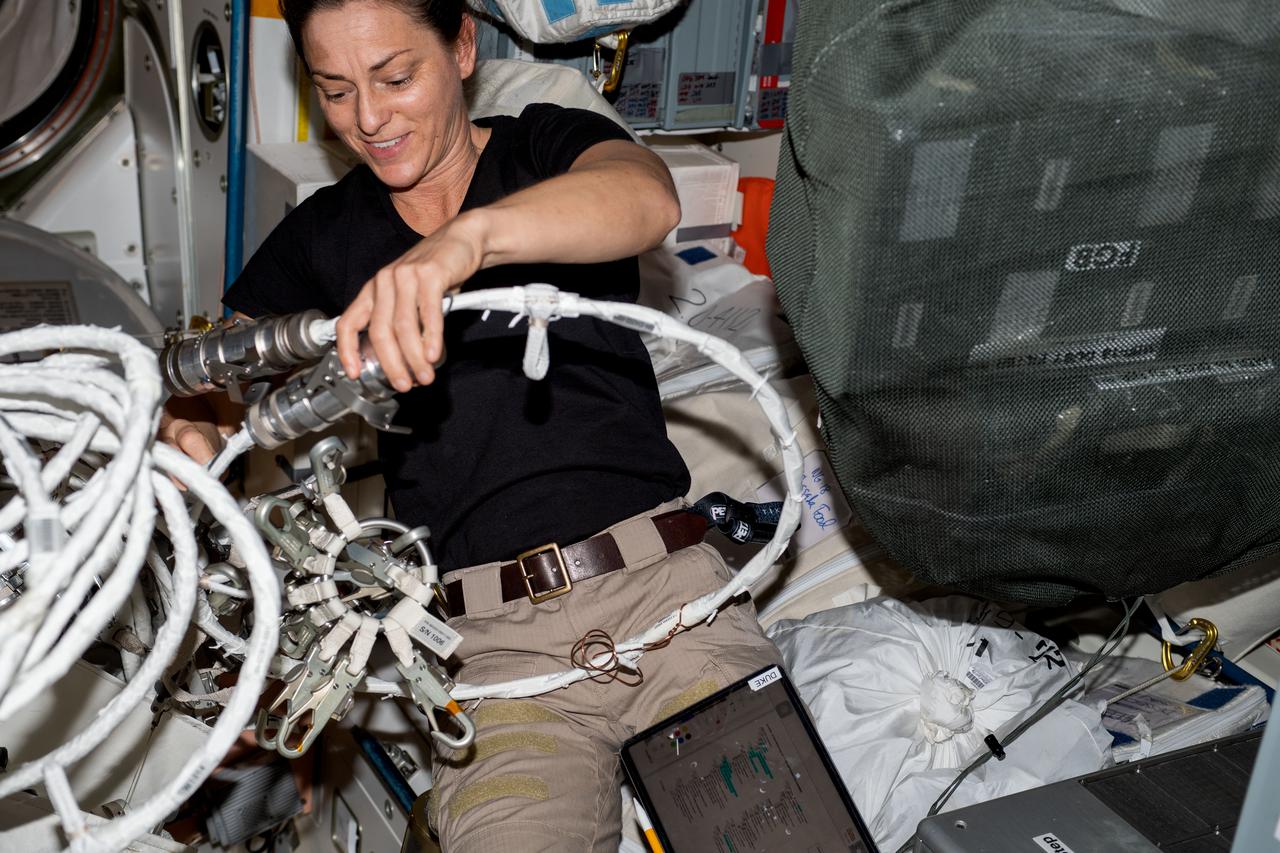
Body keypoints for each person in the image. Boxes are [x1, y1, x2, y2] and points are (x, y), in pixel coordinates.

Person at [160, 1, 783, 850]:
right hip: (491, 657)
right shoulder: (321, 239)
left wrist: (463, 244)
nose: (368, 119)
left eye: (394, 77)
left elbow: (645, 198)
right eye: (335, 90)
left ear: (461, 47)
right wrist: (186, 435)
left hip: (672, 603)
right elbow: (211, 384)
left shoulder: (541, 148)